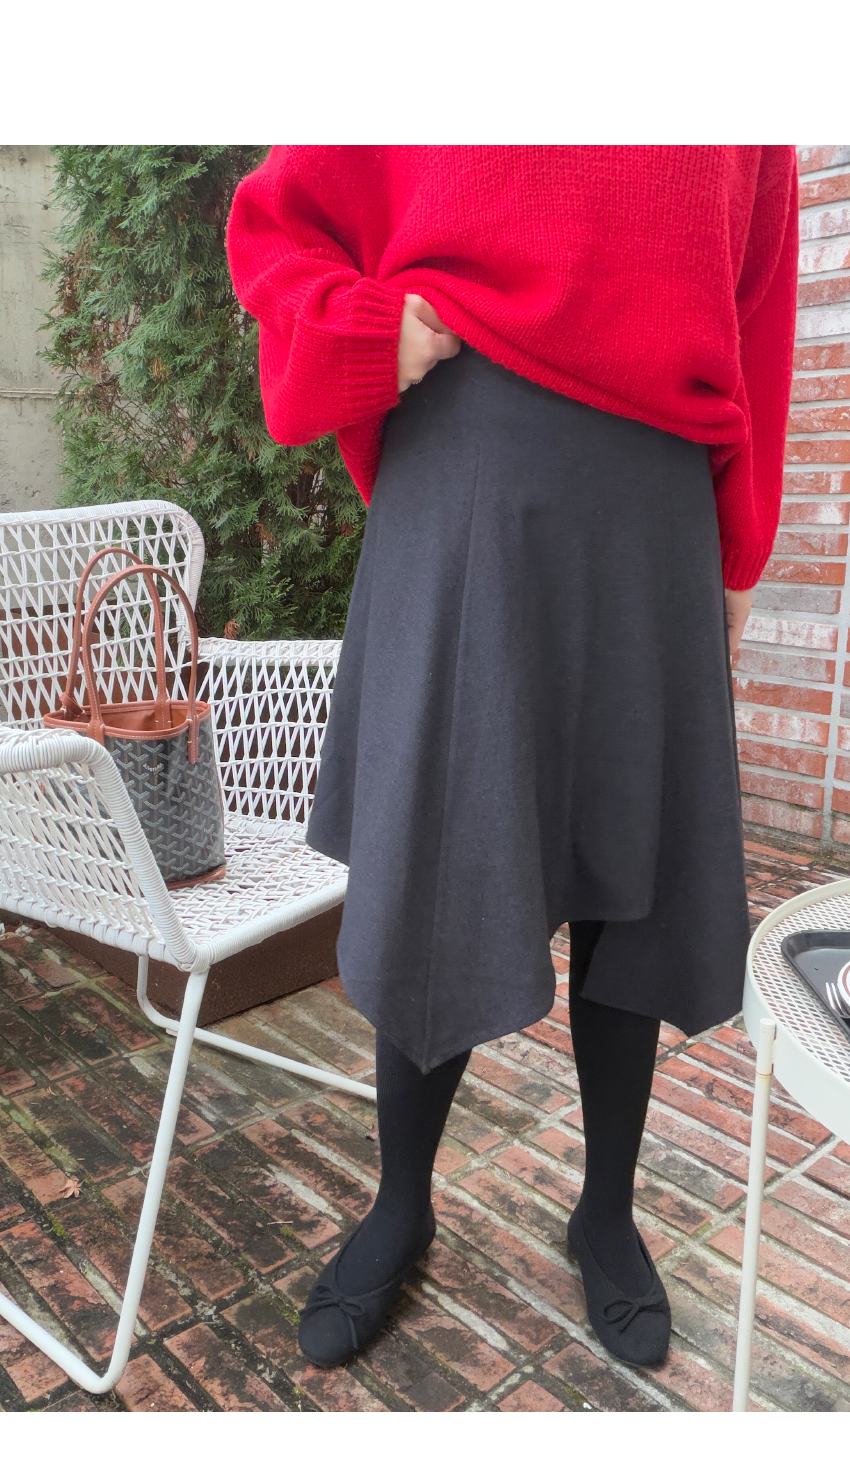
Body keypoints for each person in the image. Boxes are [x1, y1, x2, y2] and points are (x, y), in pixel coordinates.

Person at [226, 145, 799, 1371]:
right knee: (436, 855)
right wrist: (364, 328)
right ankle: (400, 1203)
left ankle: (606, 1213)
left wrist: (740, 540)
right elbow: (278, 223)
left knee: (629, 866)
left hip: (657, 495)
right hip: (471, 463)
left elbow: (756, 307)